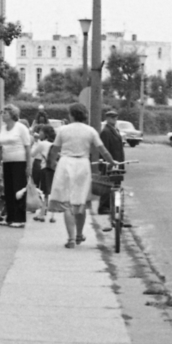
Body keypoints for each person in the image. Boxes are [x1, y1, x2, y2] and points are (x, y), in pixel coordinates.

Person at [48, 103, 110, 248]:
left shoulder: (63, 130)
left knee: (67, 202)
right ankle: (79, 234)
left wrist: (52, 163)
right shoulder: (90, 131)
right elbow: (103, 150)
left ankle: (70, 238)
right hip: (82, 164)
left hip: (65, 163)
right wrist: (111, 162)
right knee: (80, 201)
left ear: (71, 115)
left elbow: (54, 149)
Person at [0, 104, 33, 228]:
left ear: (12, 115)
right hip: (7, 161)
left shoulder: (21, 128)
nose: (3, 115)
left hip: (19, 161)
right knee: (8, 190)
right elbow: (0, 147)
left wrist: (28, 165)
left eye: (5, 113)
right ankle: (10, 217)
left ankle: (20, 218)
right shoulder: (3, 128)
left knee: (18, 190)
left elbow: (27, 147)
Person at [97, 108, 127, 214]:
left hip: (117, 162)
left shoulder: (115, 130)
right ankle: (104, 207)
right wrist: (106, 163)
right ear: (107, 118)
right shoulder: (105, 131)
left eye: (115, 117)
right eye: (112, 117)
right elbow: (104, 149)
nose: (114, 119)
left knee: (116, 184)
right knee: (107, 184)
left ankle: (113, 206)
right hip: (110, 163)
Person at [30, 124, 55, 224]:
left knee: (45, 191)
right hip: (53, 168)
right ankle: (47, 213)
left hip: (45, 168)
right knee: (48, 192)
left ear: (45, 134)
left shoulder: (42, 144)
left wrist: (35, 143)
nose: (38, 133)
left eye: (40, 131)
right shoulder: (54, 144)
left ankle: (42, 214)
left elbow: (32, 154)